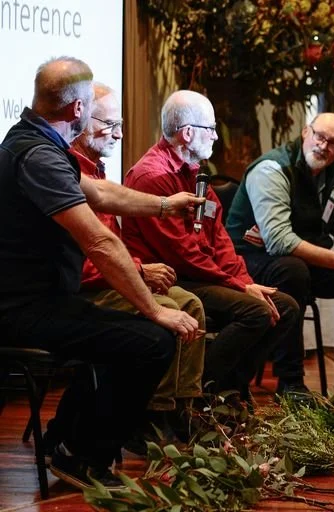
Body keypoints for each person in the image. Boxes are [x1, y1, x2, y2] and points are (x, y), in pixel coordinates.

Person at [0, 57, 203, 490]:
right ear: (77, 109)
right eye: (91, 105)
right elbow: (99, 241)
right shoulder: (39, 157)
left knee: (126, 336)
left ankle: (63, 439)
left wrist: (164, 205)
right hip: (23, 309)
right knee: (152, 341)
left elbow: (101, 192)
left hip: (43, 300)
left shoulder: (32, 140)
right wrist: (154, 310)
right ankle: (81, 456)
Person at [122, 90, 308, 401]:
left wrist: (247, 283)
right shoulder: (152, 177)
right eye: (211, 128)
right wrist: (241, 286)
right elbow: (182, 255)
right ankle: (203, 392)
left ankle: (227, 390)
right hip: (171, 280)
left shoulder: (196, 175)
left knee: (284, 308)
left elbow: (220, 242)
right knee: (257, 313)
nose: (216, 136)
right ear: (188, 133)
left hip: (199, 276)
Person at [68, 82, 205, 446]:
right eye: (110, 124)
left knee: (190, 305)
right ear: (80, 120)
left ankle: (180, 411)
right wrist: (141, 271)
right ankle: (149, 417)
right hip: (86, 290)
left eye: (121, 124)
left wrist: (138, 269)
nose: (119, 134)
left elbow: (112, 245)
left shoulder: (97, 171)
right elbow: (90, 257)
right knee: (171, 312)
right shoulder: (68, 173)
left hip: (111, 279)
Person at [226, 113, 334, 373]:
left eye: (333, 143)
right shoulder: (272, 169)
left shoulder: (332, 176)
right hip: (250, 262)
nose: (323, 146)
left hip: (301, 262)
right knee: (292, 270)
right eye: (319, 136)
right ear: (305, 132)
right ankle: (290, 378)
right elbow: (279, 240)